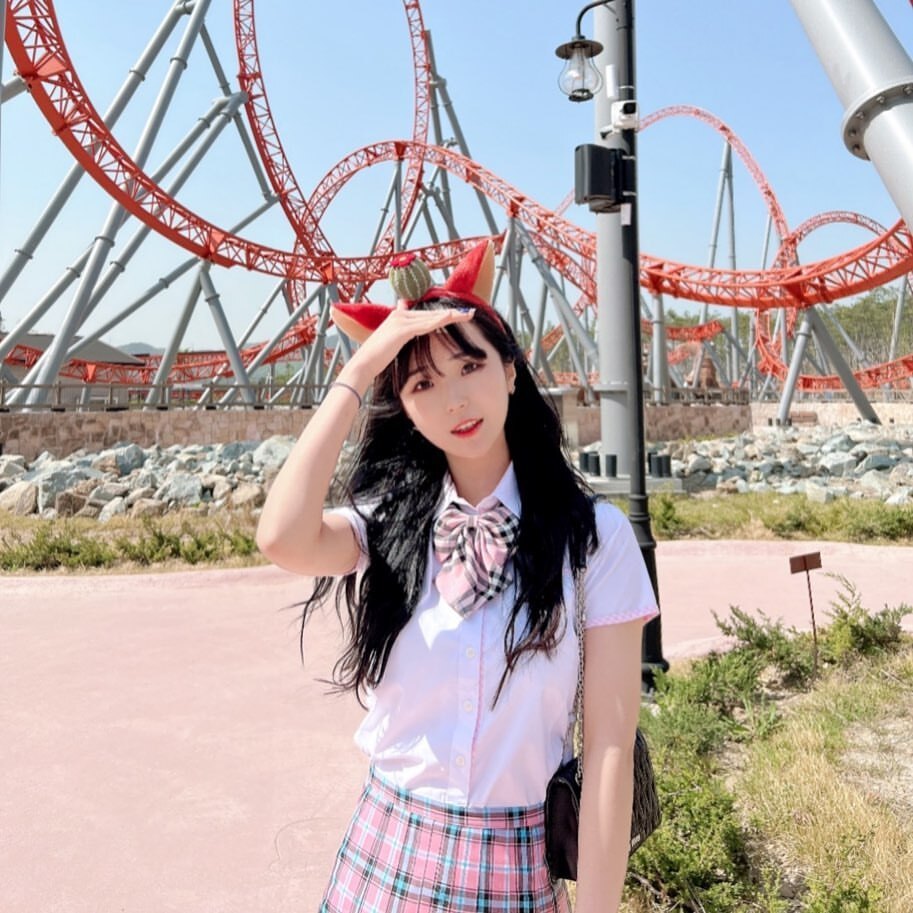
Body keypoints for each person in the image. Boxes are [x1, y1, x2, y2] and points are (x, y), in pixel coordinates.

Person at [257, 241, 659, 913]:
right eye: (422, 384)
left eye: (470, 366)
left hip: (516, 866)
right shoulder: (387, 521)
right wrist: (360, 368)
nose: (455, 398)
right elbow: (281, 536)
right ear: (404, 408)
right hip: (384, 856)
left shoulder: (595, 538)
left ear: (510, 370)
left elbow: (609, 748)